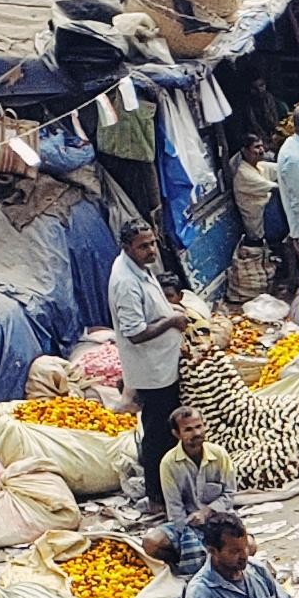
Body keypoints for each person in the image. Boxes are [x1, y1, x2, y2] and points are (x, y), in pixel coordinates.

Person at [109, 214, 190, 504]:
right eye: (144, 246)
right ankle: (157, 494)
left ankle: (169, 486)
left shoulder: (139, 268)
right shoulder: (125, 282)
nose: (152, 251)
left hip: (162, 364)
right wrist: (171, 322)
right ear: (128, 247)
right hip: (151, 371)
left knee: (163, 430)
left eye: (153, 243)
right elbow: (135, 333)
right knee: (158, 434)